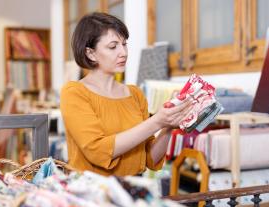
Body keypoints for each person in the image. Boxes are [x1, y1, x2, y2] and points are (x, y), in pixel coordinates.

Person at [60, 12, 192, 176]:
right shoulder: (74, 92)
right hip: (93, 194)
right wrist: (157, 121)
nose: (123, 52)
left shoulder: (135, 94)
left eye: (124, 44)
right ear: (90, 53)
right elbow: (97, 151)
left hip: (133, 192)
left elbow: (150, 159)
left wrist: (168, 126)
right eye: (113, 46)